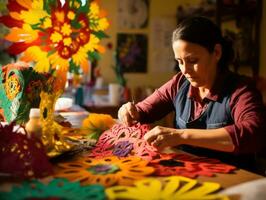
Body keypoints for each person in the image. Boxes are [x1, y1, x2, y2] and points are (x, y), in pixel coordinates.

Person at [117, 16, 266, 171]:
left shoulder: (241, 90)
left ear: (216, 52)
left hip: (234, 180)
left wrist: (182, 136)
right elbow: (143, 111)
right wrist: (128, 111)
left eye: (193, 60)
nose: (185, 70)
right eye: (179, 62)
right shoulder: (179, 83)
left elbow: (253, 133)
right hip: (189, 172)